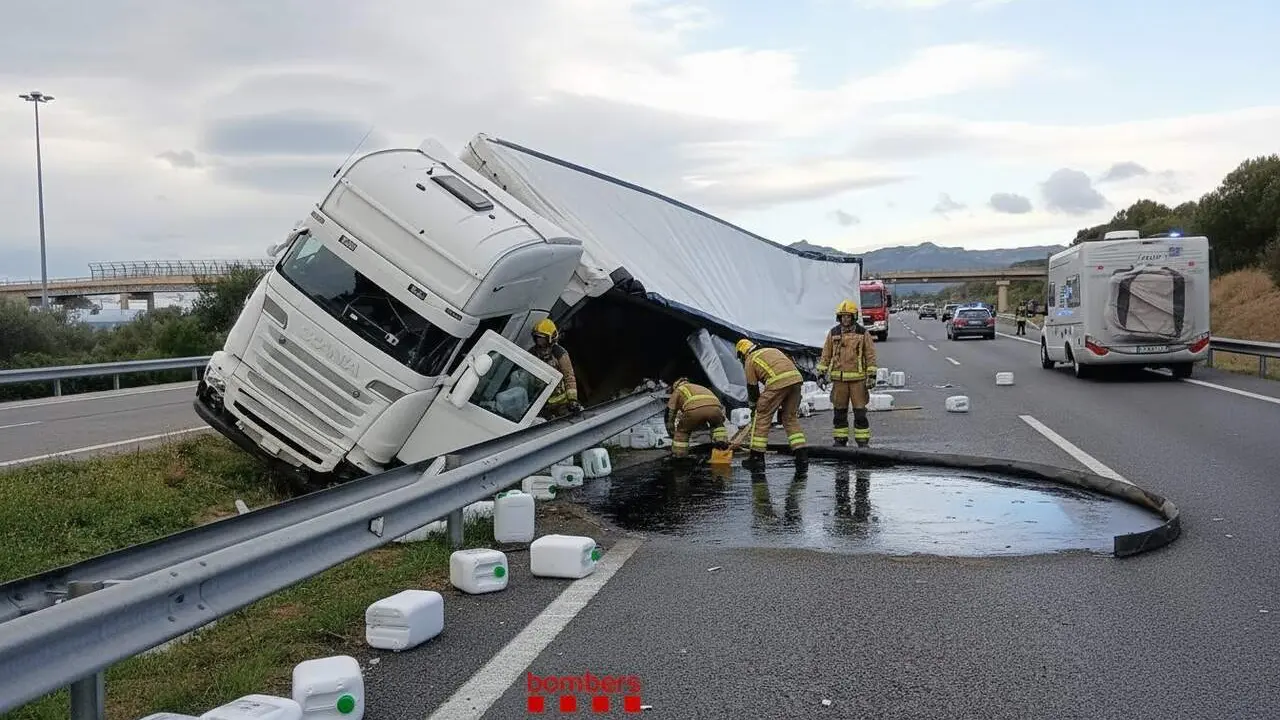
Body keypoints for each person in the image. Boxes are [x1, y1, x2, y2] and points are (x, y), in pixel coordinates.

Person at [735, 339, 808, 472]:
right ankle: (801, 456)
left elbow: (752, 388)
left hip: (777, 382)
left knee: (762, 417)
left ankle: (756, 459)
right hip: (796, 379)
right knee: (790, 418)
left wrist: (754, 408)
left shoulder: (750, 359)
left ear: (742, 353)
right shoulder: (772, 350)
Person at [815, 299, 878, 447]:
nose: (845, 319)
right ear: (839, 317)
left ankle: (862, 442)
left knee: (860, 413)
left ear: (854, 317)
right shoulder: (834, 333)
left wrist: (872, 376)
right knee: (839, 412)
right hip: (839, 380)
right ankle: (840, 441)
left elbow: (870, 356)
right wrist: (821, 374)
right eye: (843, 316)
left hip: (859, 380)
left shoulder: (863, 333)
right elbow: (826, 355)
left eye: (848, 316)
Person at [664, 378, 729, 459]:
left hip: (694, 409)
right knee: (718, 426)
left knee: (682, 432)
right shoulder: (699, 387)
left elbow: (670, 413)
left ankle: (679, 455)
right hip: (715, 409)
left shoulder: (678, 390)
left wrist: (672, 432)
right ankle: (721, 444)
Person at [531, 318, 581, 419]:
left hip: (562, 402)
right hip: (541, 402)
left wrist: (572, 400)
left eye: (542, 338)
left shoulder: (559, 353)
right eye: (537, 337)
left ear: (551, 338)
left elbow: (569, 376)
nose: (539, 340)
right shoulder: (532, 353)